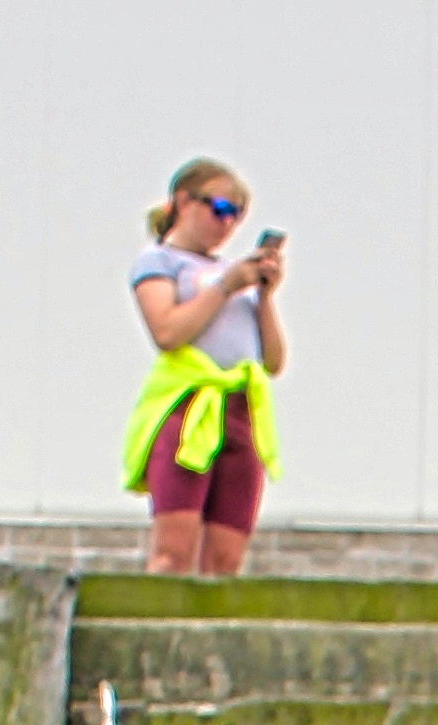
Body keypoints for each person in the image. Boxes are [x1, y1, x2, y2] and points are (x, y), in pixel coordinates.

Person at [124, 158, 286, 577]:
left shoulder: (230, 273)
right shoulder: (161, 261)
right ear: (184, 202)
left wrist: (263, 296)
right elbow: (168, 331)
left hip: (239, 412)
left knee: (225, 561)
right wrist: (226, 287)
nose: (227, 223)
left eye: (237, 215)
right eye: (219, 209)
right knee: (173, 554)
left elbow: (272, 361)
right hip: (190, 409)